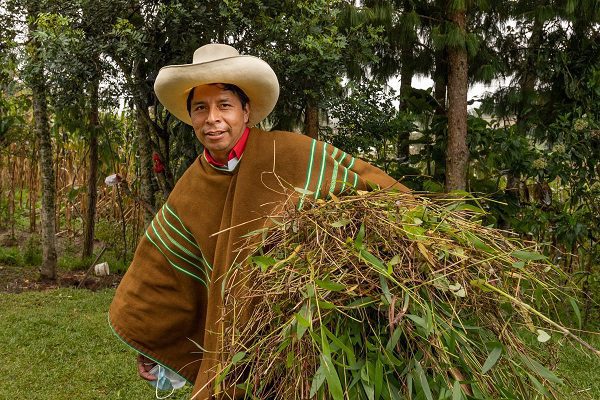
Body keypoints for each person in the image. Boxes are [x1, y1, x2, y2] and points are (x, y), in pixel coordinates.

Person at [109, 43, 409, 399]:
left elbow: (368, 185)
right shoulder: (190, 189)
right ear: (191, 117)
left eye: (224, 105)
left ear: (246, 110)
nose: (212, 118)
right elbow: (164, 271)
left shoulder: (292, 153)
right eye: (200, 108)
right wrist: (152, 341)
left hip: (304, 335)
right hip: (234, 340)